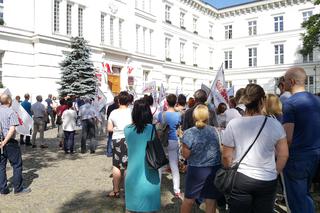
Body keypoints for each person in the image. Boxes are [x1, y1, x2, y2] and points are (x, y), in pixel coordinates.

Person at [221, 84, 289, 213]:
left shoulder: (234, 124)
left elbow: (226, 156)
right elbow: (284, 154)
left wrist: (229, 169)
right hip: (267, 178)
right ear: (263, 100)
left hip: (241, 178)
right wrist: (275, 172)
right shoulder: (275, 124)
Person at [282, 67, 320, 213]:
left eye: (284, 79)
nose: (283, 82)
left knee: (297, 199)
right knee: (305, 195)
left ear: (291, 81)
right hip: (315, 154)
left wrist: (279, 156)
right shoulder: (317, 100)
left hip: (297, 157)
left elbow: (288, 137)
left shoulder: (290, 103)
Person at [180, 104, 222, 213]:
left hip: (196, 169)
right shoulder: (216, 131)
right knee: (211, 200)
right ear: (208, 117)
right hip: (213, 169)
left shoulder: (189, 133)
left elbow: (185, 155)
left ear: (194, 117)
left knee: (189, 199)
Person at [124, 99, 160, 212]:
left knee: (133, 207)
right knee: (149, 206)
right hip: (150, 169)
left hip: (132, 172)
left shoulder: (127, 129)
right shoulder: (152, 129)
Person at [0, 94, 31, 195]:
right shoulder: (11, 112)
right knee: (17, 165)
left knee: (1, 166)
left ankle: (3, 189)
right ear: (9, 101)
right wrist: (4, 142)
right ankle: (18, 189)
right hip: (9, 142)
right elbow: (12, 129)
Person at [107, 91, 132, 198]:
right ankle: (128, 191)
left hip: (116, 139)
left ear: (118, 100)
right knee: (127, 165)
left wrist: (117, 129)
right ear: (129, 101)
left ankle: (116, 190)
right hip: (129, 139)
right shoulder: (131, 112)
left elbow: (109, 129)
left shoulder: (113, 113)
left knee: (116, 165)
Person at [158, 94, 182, 199]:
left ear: (166, 102)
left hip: (162, 140)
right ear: (175, 102)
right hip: (173, 140)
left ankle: (156, 187)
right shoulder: (179, 115)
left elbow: (159, 126)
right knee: (174, 165)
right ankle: (177, 190)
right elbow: (179, 127)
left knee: (159, 164)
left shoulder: (161, 114)